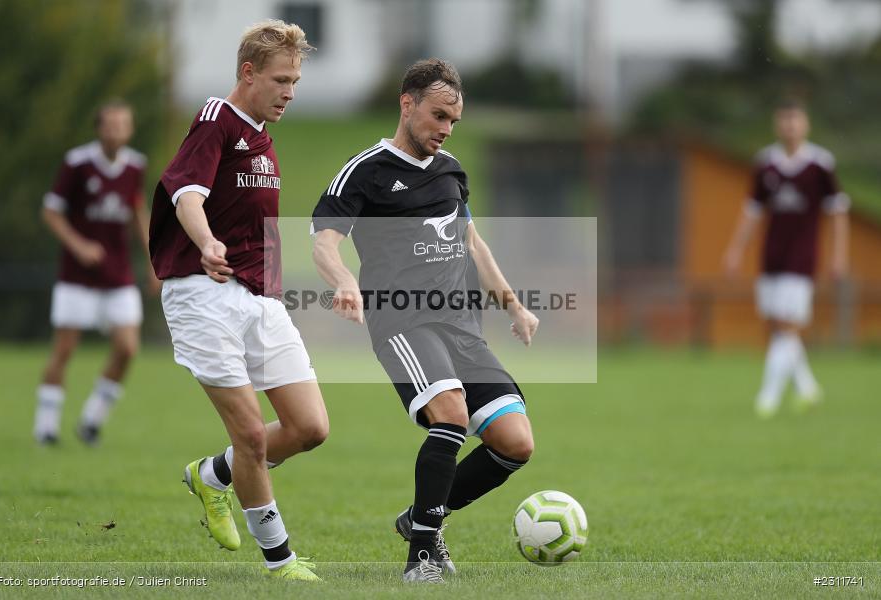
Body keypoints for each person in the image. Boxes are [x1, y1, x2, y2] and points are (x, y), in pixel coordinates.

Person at [312, 58, 538, 583]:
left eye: (453, 121)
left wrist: (514, 305)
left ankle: (420, 517)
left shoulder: (451, 170)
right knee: (451, 414)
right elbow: (324, 242)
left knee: (515, 443)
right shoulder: (365, 171)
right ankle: (421, 558)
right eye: (438, 116)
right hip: (402, 322)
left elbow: (473, 244)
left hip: (462, 326)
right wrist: (343, 281)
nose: (446, 129)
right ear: (407, 104)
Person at [148, 20, 326, 581]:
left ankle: (212, 476)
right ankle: (281, 562)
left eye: (295, 82)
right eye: (281, 80)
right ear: (248, 73)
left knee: (309, 427)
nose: (290, 92)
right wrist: (206, 243)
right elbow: (186, 195)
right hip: (203, 293)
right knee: (250, 435)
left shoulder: (262, 135)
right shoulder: (215, 120)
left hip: (260, 296)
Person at [34, 100, 158, 446]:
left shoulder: (135, 166)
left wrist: (154, 261)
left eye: (123, 125)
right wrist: (79, 245)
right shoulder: (77, 163)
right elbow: (51, 212)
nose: (117, 131)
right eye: (111, 125)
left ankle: (91, 421)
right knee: (64, 350)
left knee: (128, 348)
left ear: (130, 130)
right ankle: (46, 427)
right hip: (77, 276)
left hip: (118, 274)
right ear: (99, 129)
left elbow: (137, 212)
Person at [723, 99, 849, 418]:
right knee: (775, 326)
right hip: (772, 255)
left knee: (787, 325)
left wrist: (839, 256)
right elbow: (752, 211)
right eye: (784, 120)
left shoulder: (820, 164)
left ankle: (768, 397)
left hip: (802, 256)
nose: (790, 126)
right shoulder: (766, 163)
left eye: (795, 120)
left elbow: (838, 212)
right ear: (777, 124)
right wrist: (735, 250)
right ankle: (808, 388)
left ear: (805, 124)